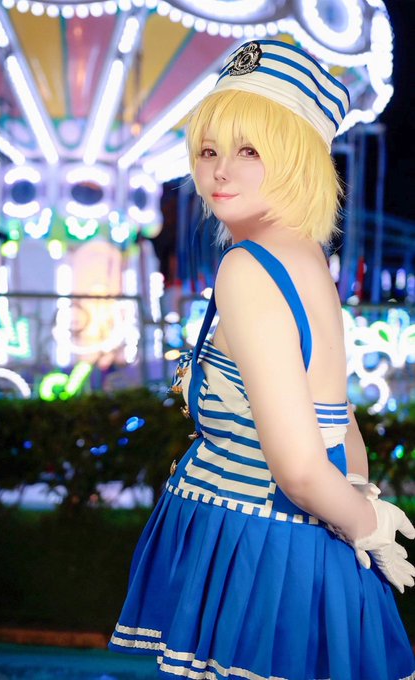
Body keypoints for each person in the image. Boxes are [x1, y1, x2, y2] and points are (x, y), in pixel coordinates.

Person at [109, 39, 415, 680]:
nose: (221, 172)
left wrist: (364, 522)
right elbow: (340, 424)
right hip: (303, 543)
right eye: (209, 151)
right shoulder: (306, 255)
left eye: (250, 151)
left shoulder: (248, 268)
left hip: (261, 554)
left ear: (298, 158)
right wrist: (358, 509)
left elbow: (300, 469)